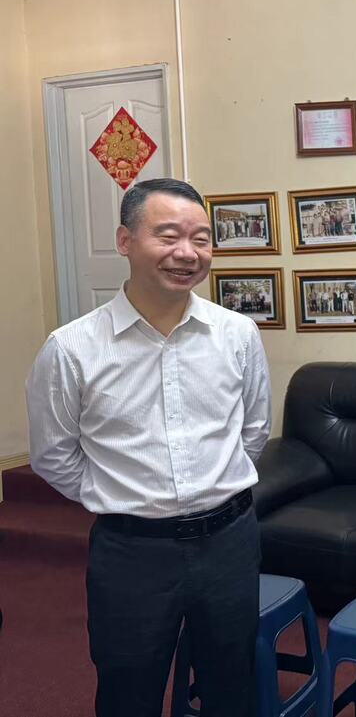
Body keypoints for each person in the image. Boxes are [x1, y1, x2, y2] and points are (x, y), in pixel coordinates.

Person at [25, 178, 270, 717]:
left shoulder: (237, 334)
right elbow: (53, 455)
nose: (187, 253)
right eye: (168, 236)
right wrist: (122, 494)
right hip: (132, 552)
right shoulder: (71, 349)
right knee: (128, 690)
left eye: (201, 239)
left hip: (229, 541)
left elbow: (253, 430)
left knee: (233, 683)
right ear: (125, 241)